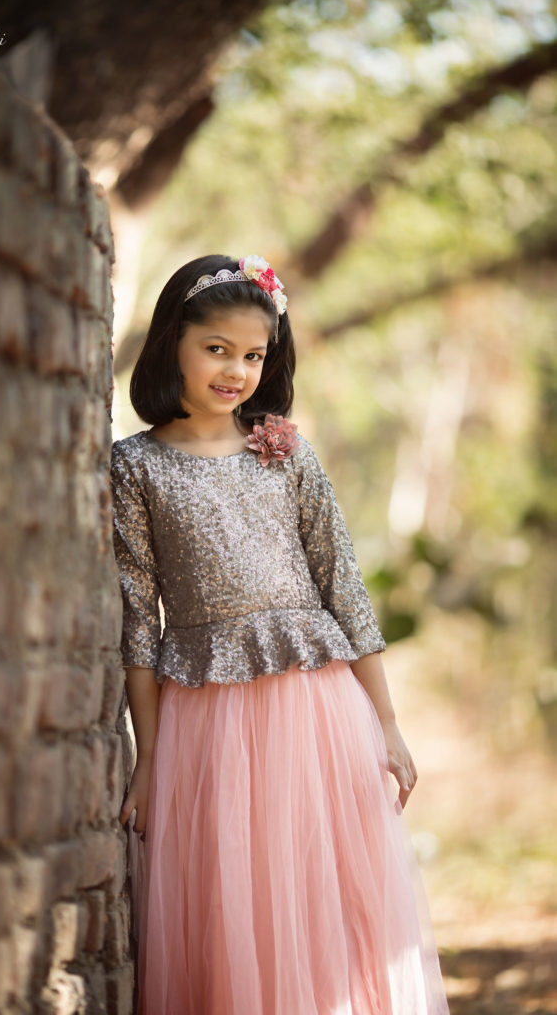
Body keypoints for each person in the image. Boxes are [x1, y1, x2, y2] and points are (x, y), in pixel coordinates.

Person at [111, 253, 449, 1015]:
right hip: (207, 721)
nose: (235, 371)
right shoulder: (133, 467)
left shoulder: (283, 452)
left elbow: (342, 586)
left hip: (315, 712)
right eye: (216, 349)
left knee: (318, 895)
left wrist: (387, 726)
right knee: (235, 897)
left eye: (253, 354)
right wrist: (147, 758)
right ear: (173, 345)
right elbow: (137, 621)